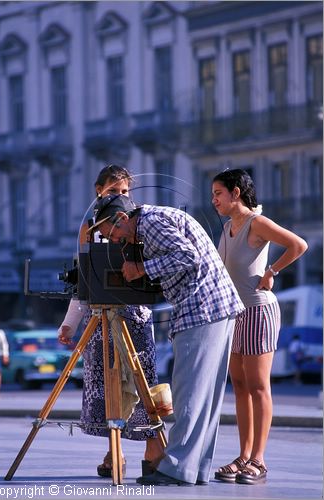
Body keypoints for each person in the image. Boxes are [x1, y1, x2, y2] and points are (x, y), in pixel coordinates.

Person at [90, 193, 245, 486]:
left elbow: (189, 256)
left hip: (201, 309)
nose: (115, 241)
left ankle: (176, 468)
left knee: (189, 394)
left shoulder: (149, 223)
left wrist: (142, 269)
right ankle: (193, 468)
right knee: (205, 398)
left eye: (113, 234)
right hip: (216, 308)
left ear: (122, 219)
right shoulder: (156, 218)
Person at [58, 165, 164, 478]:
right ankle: (113, 450)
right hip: (100, 315)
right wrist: (70, 323)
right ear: (98, 191)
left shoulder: (140, 224)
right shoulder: (89, 228)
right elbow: (84, 281)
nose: (120, 197)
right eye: (113, 191)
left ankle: (153, 448)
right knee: (105, 385)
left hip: (135, 313)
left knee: (141, 378)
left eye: (125, 192)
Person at [211, 169, 308, 485]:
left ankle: (259, 460)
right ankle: (243, 456)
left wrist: (272, 272)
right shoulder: (227, 228)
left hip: (259, 312)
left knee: (258, 385)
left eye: (218, 194)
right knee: (239, 386)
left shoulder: (257, 222)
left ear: (235, 193)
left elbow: (298, 245)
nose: (214, 200)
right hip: (234, 314)